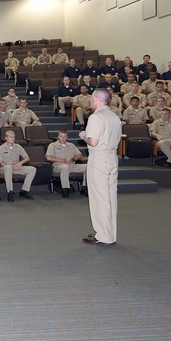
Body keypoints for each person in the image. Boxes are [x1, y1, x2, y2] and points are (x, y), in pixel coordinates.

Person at [79, 89, 121, 246]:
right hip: (112, 157)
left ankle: (103, 235)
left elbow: (94, 141)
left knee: (99, 198)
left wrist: (84, 136)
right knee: (110, 197)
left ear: (97, 99)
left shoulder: (96, 117)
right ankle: (110, 233)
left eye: (91, 98)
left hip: (99, 158)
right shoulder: (114, 116)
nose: (90, 101)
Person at [0, 129, 36, 201]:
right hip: (5, 169)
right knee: (8, 168)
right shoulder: (1, 148)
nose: (13, 139)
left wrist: (20, 163)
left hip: (17, 167)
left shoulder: (18, 147)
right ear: (6, 138)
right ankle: (10, 192)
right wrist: (12, 166)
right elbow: (0, 162)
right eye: (10, 137)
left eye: (14, 137)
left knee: (32, 169)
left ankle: (24, 190)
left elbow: (27, 158)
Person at [46, 130, 87, 197]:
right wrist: (63, 160)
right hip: (58, 166)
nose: (63, 138)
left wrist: (73, 159)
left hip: (71, 165)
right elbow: (49, 158)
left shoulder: (71, 145)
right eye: (61, 136)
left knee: (87, 167)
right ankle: (65, 189)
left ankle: (84, 188)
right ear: (58, 137)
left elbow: (80, 156)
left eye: (65, 136)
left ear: (67, 137)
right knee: (65, 167)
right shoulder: (52, 145)